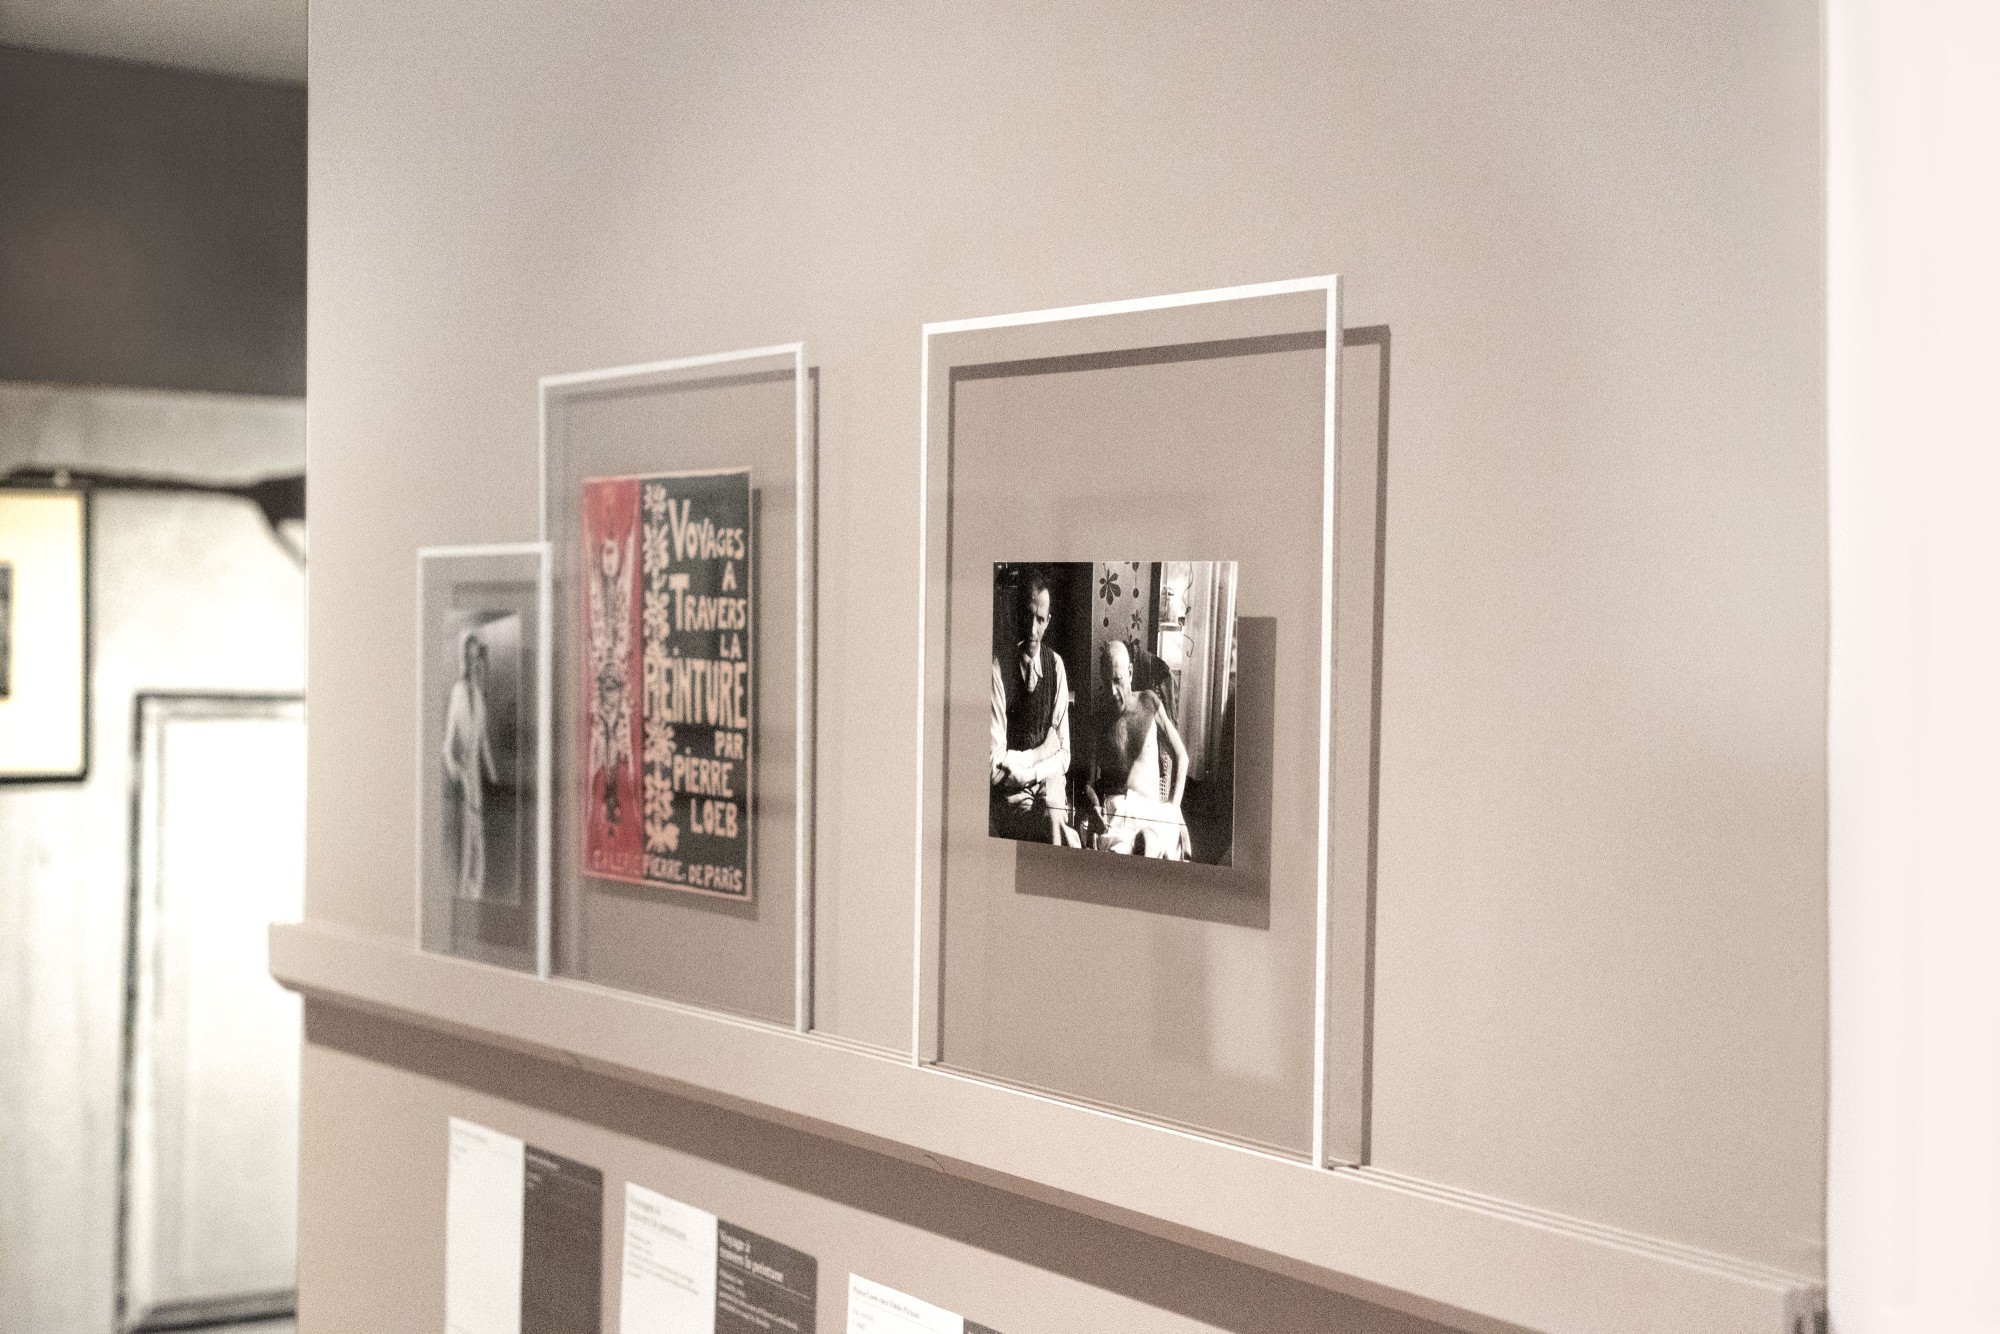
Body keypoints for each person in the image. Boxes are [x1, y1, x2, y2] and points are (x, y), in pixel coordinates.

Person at [1084, 639, 1190, 859]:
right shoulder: (1098, 719)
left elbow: (1182, 755)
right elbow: (1089, 783)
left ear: (1130, 673)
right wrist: (1094, 806)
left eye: (1118, 680)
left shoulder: (1149, 702)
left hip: (1151, 813)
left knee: (1147, 840)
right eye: (1107, 682)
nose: (1112, 691)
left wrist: (1173, 808)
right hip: (1115, 815)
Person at [990, 574, 1076, 845]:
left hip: (1047, 778)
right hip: (1013, 792)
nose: (1032, 629)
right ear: (1017, 615)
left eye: (1040, 620)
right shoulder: (998, 669)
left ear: (1048, 621)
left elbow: (1063, 755)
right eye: (1027, 617)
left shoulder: (1056, 666)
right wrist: (1040, 752)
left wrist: (1029, 772)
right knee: (1041, 831)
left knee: (1052, 814)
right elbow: (993, 767)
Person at [442, 631, 499, 898]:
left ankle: (476, 894)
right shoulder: (457, 692)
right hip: (464, 779)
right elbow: (446, 746)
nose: (473, 663)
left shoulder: (479, 695)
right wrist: (457, 773)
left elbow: (484, 740)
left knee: (479, 840)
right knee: (467, 842)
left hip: (478, 779)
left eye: (477, 657)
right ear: (463, 659)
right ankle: (465, 894)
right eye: (469, 657)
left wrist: (494, 775)